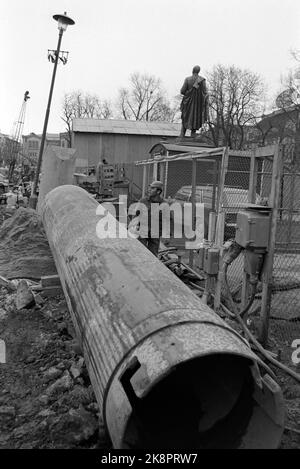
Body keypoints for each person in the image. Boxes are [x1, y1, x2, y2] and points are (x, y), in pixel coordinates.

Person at [135, 180, 170, 257]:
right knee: (140, 253)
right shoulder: (143, 201)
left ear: (158, 192)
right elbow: (136, 214)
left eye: (152, 188)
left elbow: (166, 221)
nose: (149, 190)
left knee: (153, 255)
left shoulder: (164, 204)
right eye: (150, 188)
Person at [180, 65, 208, 138]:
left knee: (186, 116)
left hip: (187, 103)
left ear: (192, 70)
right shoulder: (202, 80)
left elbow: (182, 91)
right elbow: (205, 92)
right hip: (197, 105)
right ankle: (193, 134)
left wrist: (189, 93)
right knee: (195, 118)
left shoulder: (187, 79)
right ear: (199, 71)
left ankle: (182, 134)